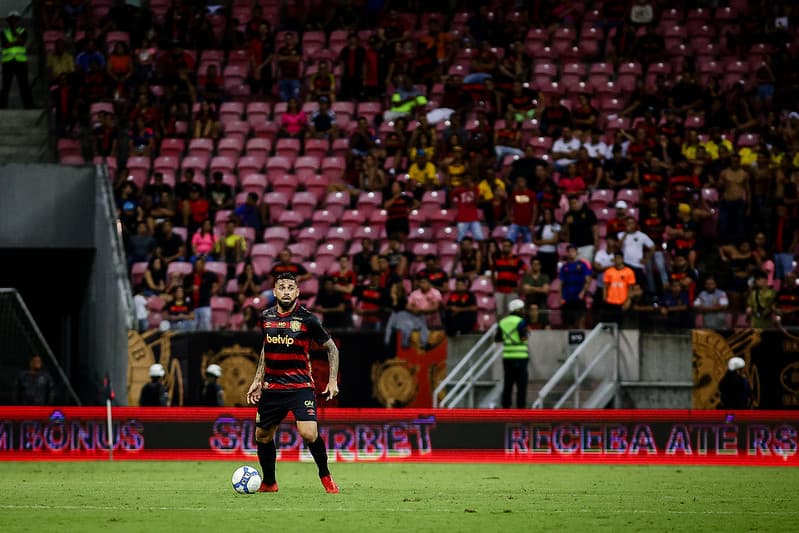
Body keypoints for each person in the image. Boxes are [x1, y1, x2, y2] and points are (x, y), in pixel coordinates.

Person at [245, 272, 340, 494]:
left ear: (297, 292)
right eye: (282, 287)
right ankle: (269, 482)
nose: (286, 291)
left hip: (300, 387)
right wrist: (258, 379)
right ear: (275, 291)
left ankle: (325, 476)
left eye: (290, 287)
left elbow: (332, 348)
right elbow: (266, 349)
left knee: (308, 433)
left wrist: (332, 380)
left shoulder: (308, 319)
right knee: (262, 436)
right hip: (273, 387)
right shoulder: (266, 317)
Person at [494, 299, 529, 409]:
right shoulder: (521, 321)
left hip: (507, 357)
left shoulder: (502, 322)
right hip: (521, 357)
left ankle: (506, 408)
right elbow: (523, 338)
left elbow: (497, 339)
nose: (524, 311)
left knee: (508, 383)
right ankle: (520, 409)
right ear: (517, 309)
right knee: (521, 385)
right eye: (522, 309)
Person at [0, 11, 33, 109]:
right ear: (9, 21)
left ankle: (29, 106)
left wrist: (14, 37)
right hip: (8, 62)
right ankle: (2, 106)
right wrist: (16, 41)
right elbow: (5, 45)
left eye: (15, 20)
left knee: (24, 85)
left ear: (18, 21)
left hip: (20, 61)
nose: (13, 22)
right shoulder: (4, 32)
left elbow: (22, 42)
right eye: (11, 20)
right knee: (6, 86)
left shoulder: (23, 31)